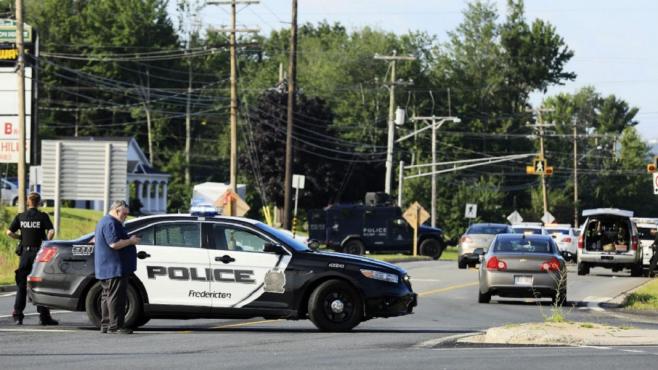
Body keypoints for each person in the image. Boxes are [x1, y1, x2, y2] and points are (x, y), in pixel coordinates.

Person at [6, 192, 58, 325]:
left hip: (24, 255)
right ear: (39, 202)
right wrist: (47, 242)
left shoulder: (21, 216)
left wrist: (20, 238)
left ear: (28, 202)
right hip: (38, 254)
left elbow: (9, 232)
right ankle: (44, 317)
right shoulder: (42, 216)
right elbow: (51, 231)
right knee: (40, 284)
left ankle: (18, 316)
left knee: (22, 286)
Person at [94, 200, 140, 334]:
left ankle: (106, 325)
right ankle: (116, 326)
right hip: (114, 267)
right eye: (124, 214)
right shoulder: (110, 223)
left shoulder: (106, 221)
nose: (126, 216)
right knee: (116, 297)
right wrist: (131, 241)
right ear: (117, 210)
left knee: (107, 296)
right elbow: (114, 244)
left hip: (108, 267)